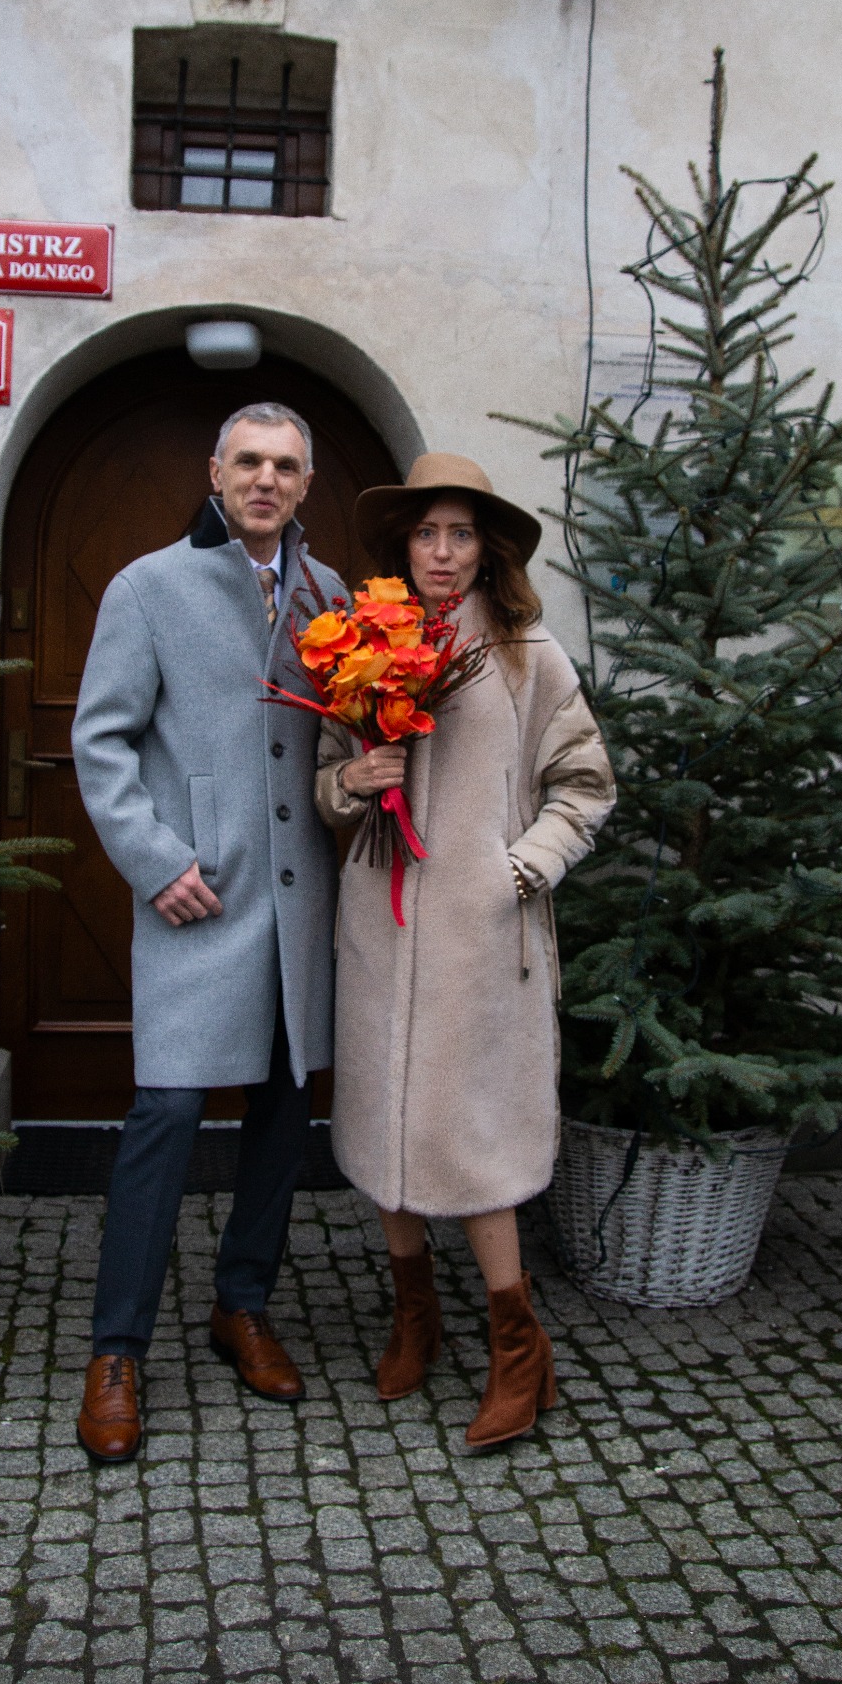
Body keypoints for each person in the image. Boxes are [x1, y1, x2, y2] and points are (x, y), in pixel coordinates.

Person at [315, 453, 615, 1451]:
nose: (441, 552)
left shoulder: (532, 655)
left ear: (487, 547)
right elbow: (327, 788)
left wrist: (518, 870)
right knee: (385, 1127)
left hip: (482, 940)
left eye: (460, 533)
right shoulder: (362, 644)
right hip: (379, 926)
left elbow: (586, 787)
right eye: (425, 533)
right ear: (405, 544)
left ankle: (519, 1350)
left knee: (475, 1140)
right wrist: (355, 775)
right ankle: (417, 1317)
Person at [71, 401, 346, 1462]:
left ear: (306, 481)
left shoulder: (331, 596)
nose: (266, 479)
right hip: (202, 891)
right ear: (216, 471)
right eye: (248, 461)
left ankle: (242, 1304)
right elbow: (102, 741)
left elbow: (341, 738)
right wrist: (155, 859)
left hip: (300, 900)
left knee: (284, 1108)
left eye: (285, 464)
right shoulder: (149, 586)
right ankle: (118, 1347)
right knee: (168, 1111)